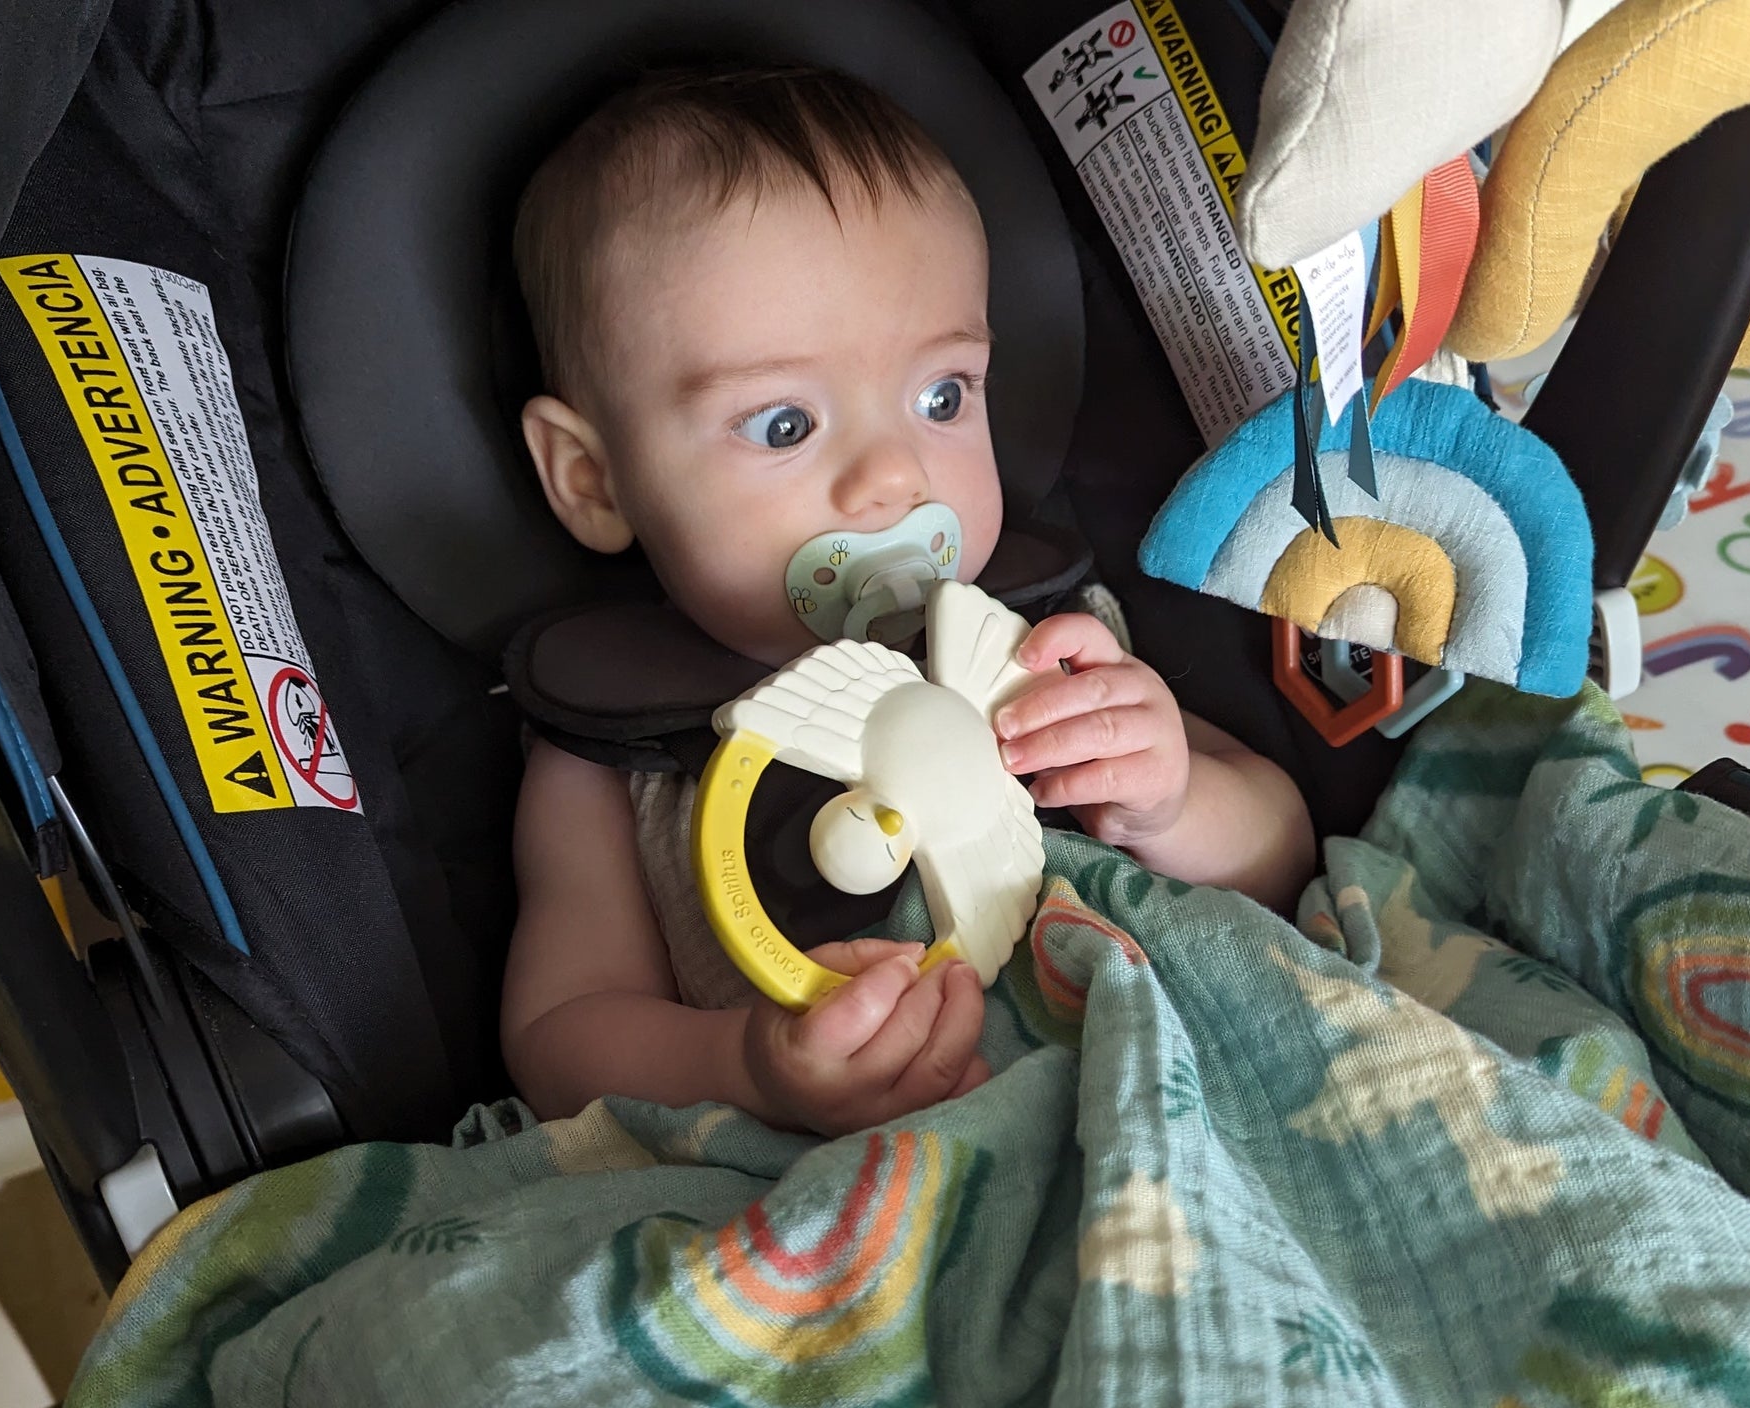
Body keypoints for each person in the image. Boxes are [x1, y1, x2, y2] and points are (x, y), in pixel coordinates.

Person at [502, 63, 1315, 1136]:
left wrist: (1171, 801)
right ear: (594, 479)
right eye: (783, 424)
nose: (895, 476)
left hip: (1178, 1086)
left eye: (941, 396)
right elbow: (558, 1034)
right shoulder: (612, 753)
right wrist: (744, 1065)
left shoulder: (1039, 643)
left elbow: (1282, 856)